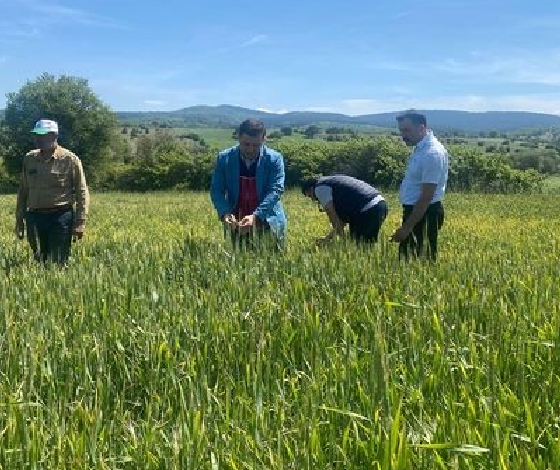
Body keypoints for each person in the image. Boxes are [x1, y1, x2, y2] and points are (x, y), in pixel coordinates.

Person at [15, 119, 90, 264]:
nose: (38, 139)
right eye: (36, 135)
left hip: (60, 217)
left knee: (57, 262)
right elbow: (23, 190)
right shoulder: (29, 158)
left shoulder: (70, 159)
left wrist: (80, 221)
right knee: (39, 259)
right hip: (34, 217)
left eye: (42, 135)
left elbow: (82, 191)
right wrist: (19, 219)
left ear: (54, 136)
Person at [210, 118, 286, 249]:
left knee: (271, 263)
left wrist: (256, 217)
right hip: (236, 222)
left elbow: (276, 190)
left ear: (264, 140)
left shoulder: (274, 159)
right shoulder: (225, 158)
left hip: (268, 219)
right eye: (246, 144)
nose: (250, 150)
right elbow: (216, 190)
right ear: (238, 138)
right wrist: (225, 212)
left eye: (256, 145)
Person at [390, 111, 448, 260]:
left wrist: (406, 228)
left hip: (425, 213)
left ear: (421, 128)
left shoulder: (432, 153)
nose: (403, 135)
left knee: (422, 261)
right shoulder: (421, 148)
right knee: (407, 260)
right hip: (416, 212)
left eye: (406, 130)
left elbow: (426, 196)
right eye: (401, 130)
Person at [301, 174, 388, 245]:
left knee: (358, 247)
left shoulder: (319, 188)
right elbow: (340, 222)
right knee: (367, 246)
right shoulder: (331, 182)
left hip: (367, 210)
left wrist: (344, 241)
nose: (313, 199)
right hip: (379, 205)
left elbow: (331, 212)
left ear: (311, 188)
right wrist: (327, 238)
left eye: (310, 195)